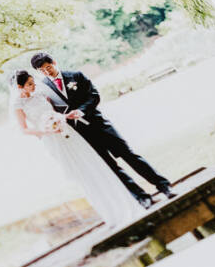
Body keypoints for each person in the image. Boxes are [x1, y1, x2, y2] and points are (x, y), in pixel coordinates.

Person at [30, 52, 174, 207]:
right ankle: (141, 197)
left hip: (100, 125)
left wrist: (82, 110)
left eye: (48, 67)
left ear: (54, 62)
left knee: (130, 155)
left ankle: (163, 186)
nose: (47, 72)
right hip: (82, 135)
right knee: (111, 167)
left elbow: (94, 95)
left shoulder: (75, 75)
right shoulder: (43, 89)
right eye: (42, 71)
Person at [10, 70, 143, 228]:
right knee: (81, 174)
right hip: (52, 139)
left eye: (33, 82)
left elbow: (54, 111)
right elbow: (24, 129)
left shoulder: (40, 94)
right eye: (30, 84)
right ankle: (109, 213)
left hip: (69, 133)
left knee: (95, 166)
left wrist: (61, 118)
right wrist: (46, 130)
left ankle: (124, 204)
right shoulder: (17, 104)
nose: (34, 86)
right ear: (20, 87)